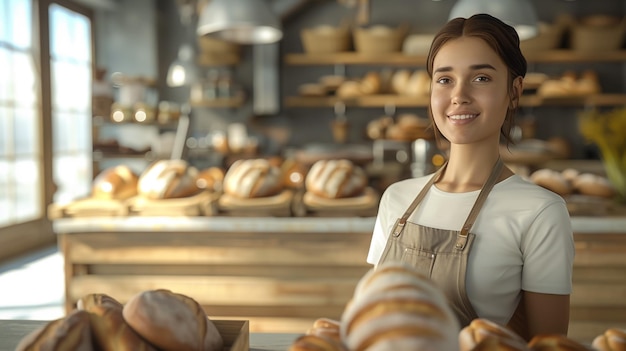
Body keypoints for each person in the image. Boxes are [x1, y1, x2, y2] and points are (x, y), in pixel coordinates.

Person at [366, 13, 574, 340]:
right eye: (445, 79)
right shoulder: (396, 199)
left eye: (481, 79)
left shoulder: (540, 212)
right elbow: (372, 321)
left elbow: (548, 346)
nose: (458, 95)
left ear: (514, 90)